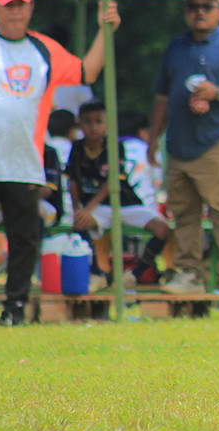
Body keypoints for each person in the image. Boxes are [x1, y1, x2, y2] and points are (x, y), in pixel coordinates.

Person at [0, 0, 119, 326]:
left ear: (31, 7)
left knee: (25, 238)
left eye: (21, 5)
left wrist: (105, 30)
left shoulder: (44, 48)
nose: (15, 12)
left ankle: (15, 307)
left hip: (25, 162)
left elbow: (87, 71)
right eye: (8, 5)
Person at [147, 0, 219, 295]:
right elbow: (161, 96)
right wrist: (153, 138)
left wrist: (217, 92)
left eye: (206, 7)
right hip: (179, 143)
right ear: (186, 12)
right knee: (184, 213)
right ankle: (188, 273)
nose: (199, 12)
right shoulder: (175, 48)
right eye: (193, 6)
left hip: (217, 141)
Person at [67, 100, 172, 292]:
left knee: (163, 229)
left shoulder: (115, 146)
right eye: (87, 122)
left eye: (98, 121)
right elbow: (73, 181)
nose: (93, 127)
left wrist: (87, 208)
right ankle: (97, 273)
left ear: (107, 124)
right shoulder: (76, 149)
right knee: (78, 224)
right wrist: (78, 209)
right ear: (80, 124)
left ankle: (135, 274)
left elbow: (112, 182)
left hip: (125, 203)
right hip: (99, 208)